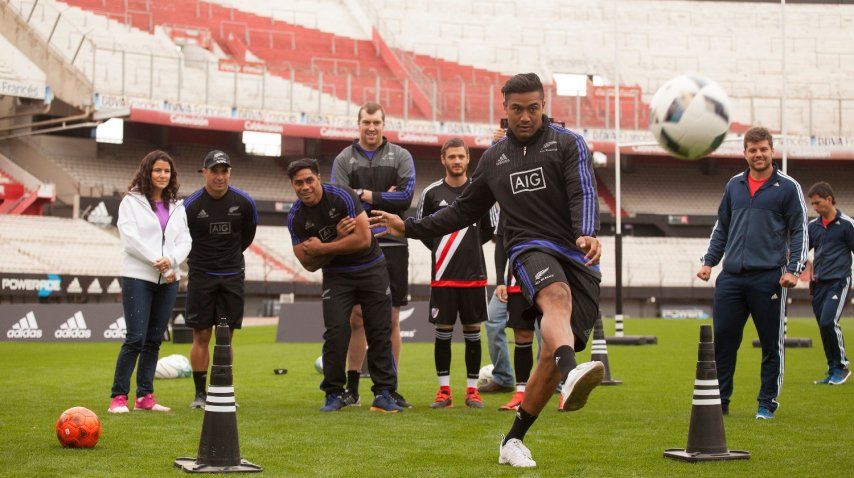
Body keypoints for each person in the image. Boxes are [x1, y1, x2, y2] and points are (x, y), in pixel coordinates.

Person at [370, 73, 605, 468]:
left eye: (533, 108)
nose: (525, 116)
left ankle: (513, 440)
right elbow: (462, 211)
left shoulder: (568, 143)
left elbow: (582, 188)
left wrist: (586, 232)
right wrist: (408, 227)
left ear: (544, 106)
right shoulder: (494, 160)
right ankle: (570, 373)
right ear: (505, 109)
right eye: (517, 109)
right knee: (556, 297)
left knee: (550, 350)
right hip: (529, 247)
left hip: (576, 252)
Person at [698, 126, 807, 420]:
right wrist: (709, 262)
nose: (758, 154)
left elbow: (799, 230)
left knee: (771, 344)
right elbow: (722, 227)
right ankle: (720, 402)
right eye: (753, 150)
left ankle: (766, 403)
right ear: (745, 153)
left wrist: (794, 270)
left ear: (772, 151)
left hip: (769, 278)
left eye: (763, 149)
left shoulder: (788, 187)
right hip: (731, 278)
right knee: (723, 341)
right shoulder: (734, 185)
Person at [286, 158, 402, 413]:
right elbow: (308, 264)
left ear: (319, 178)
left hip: (371, 268)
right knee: (336, 332)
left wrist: (322, 248)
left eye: (309, 180)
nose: (305, 187)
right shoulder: (295, 217)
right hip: (337, 275)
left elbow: (363, 239)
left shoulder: (342, 196)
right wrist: (338, 238)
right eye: (298, 183)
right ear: (292, 185)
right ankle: (334, 393)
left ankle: (383, 393)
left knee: (379, 330)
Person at [331, 102, 414, 408]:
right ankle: (352, 388)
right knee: (357, 319)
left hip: (393, 244)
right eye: (366, 122)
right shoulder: (344, 159)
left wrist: (362, 194)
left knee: (391, 319)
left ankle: (390, 388)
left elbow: (406, 197)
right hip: (357, 245)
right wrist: (381, 198)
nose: (371, 127)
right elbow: (339, 202)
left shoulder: (401, 156)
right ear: (358, 124)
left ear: (383, 124)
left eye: (376, 122)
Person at [109, 150, 191, 413]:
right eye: (157, 170)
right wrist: (159, 261)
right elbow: (130, 240)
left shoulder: (177, 205)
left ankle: (145, 396)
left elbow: (185, 240)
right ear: (147, 171)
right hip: (138, 276)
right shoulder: (131, 201)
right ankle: (118, 397)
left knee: (154, 339)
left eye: (167, 171)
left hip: (169, 279)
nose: (162, 175)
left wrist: (171, 261)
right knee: (135, 338)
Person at [417, 138, 493, 409]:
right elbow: (423, 229)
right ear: (443, 159)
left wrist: (468, 248)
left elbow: (488, 230)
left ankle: (472, 391)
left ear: (468, 158)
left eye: (461, 156)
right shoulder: (431, 193)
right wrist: (442, 249)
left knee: (473, 331)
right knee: (443, 332)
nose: (457, 161)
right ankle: (444, 392)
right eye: (452, 157)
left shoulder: (480, 190)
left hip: (474, 275)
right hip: (443, 275)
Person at [183, 150, 258, 409]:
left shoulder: (244, 202)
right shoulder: (191, 205)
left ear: (229, 173)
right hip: (201, 276)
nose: (219, 176)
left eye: (224, 170)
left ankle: (222, 390)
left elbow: (247, 236)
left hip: (232, 276)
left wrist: (228, 259)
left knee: (225, 337)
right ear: (204, 172)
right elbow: (183, 239)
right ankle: (200, 394)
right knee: (202, 334)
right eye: (214, 170)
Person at [806, 181, 852, 385]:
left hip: (839, 281)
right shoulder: (813, 227)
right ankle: (832, 369)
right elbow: (802, 252)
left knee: (828, 322)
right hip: (818, 284)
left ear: (829, 199)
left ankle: (842, 367)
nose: (815, 208)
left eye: (817, 203)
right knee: (823, 327)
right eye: (812, 204)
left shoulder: (847, 225)